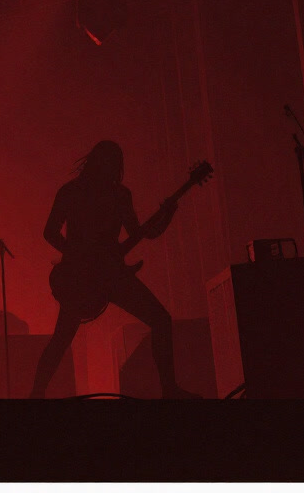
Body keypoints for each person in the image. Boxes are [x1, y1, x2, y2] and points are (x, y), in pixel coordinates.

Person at [29, 140, 198, 399]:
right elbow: (49, 232)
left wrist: (168, 214)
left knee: (160, 320)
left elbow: (142, 234)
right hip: (82, 277)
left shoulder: (120, 195)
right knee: (62, 338)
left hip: (111, 275)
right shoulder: (71, 192)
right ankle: (36, 394)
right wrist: (78, 255)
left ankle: (169, 390)